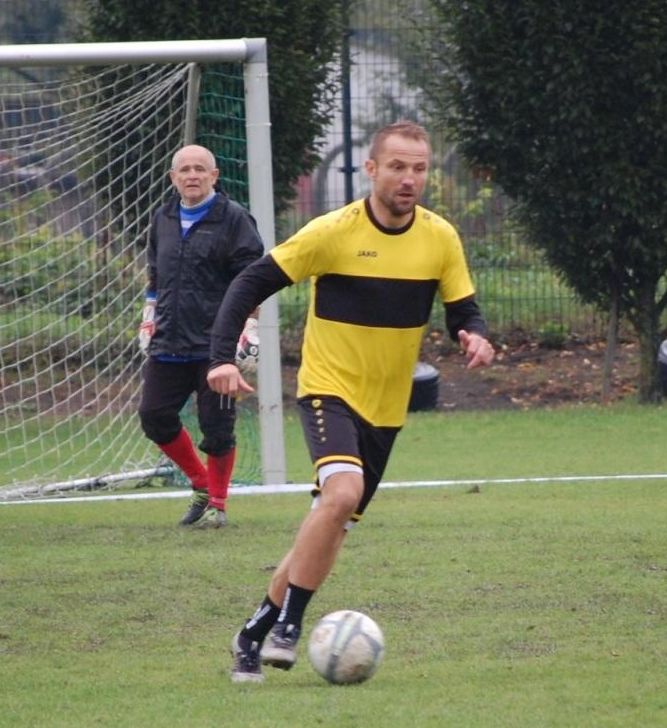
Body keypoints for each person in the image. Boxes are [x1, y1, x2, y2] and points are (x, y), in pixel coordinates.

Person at [206, 120, 495, 683]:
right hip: (327, 389)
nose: (409, 178)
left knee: (330, 517)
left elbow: (464, 308)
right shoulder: (332, 232)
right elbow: (248, 284)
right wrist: (221, 356)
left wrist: (474, 334)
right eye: (397, 166)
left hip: (386, 411)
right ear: (371, 169)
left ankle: (254, 632)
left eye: (419, 168)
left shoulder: (440, 238)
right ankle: (291, 624)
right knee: (342, 492)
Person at [138, 143, 264, 529]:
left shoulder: (235, 219)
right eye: (184, 170)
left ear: (214, 176)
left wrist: (248, 326)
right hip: (170, 342)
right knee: (154, 416)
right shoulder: (163, 218)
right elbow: (156, 276)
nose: (192, 175)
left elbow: (254, 279)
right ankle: (201, 484)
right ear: (173, 178)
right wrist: (148, 315)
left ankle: (218, 505)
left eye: (200, 169)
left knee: (217, 427)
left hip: (217, 346)